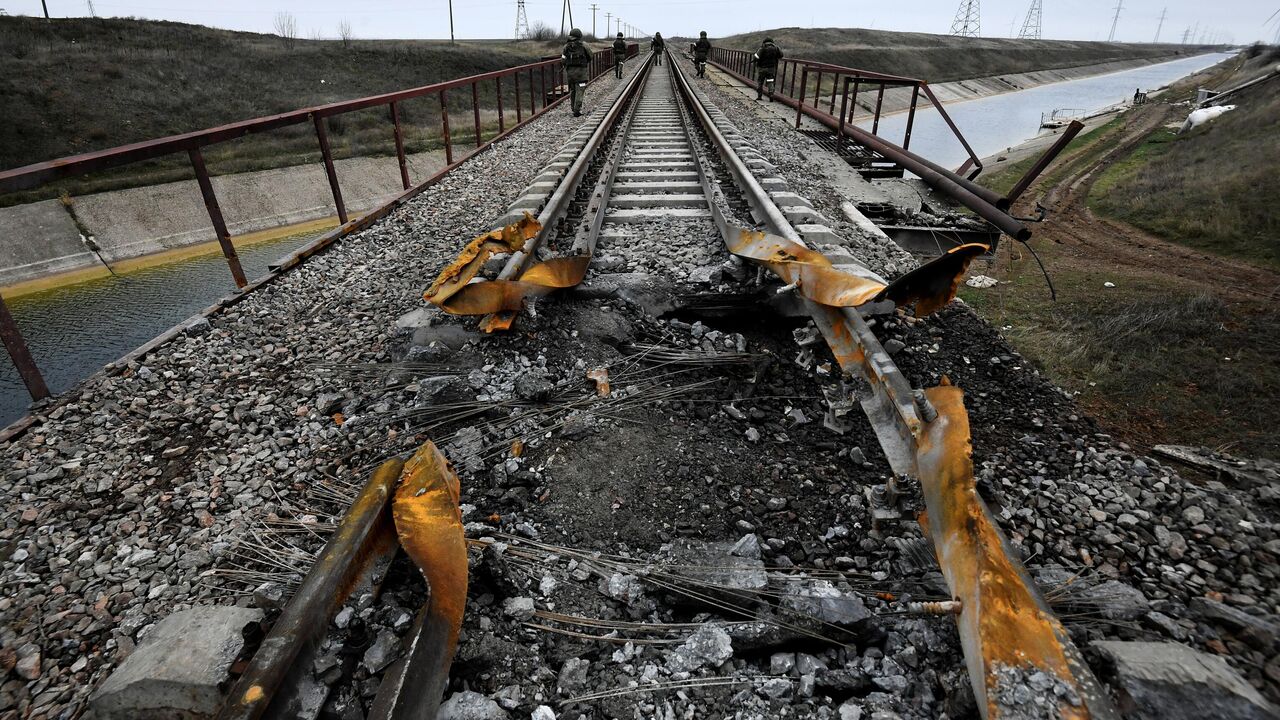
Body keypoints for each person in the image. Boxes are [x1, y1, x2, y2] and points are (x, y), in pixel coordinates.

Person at [561, 28, 593, 117]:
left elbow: (563, 59)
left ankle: (573, 108)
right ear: (579, 35)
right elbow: (591, 56)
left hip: (570, 73)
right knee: (580, 90)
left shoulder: (566, 46)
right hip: (581, 73)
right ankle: (577, 110)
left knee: (573, 90)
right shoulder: (584, 45)